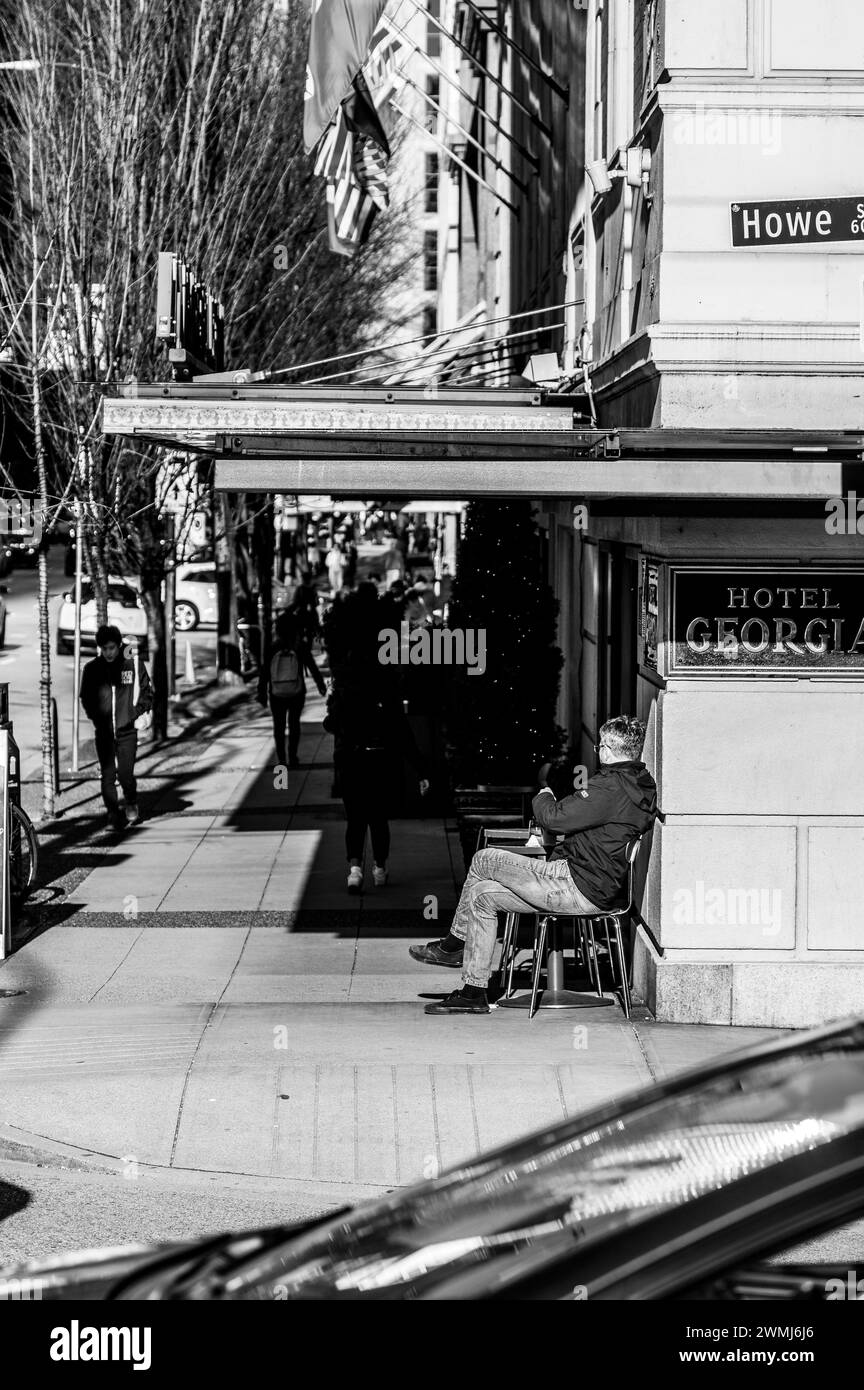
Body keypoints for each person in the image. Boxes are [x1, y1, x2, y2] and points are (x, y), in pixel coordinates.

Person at [409, 715, 657, 1014]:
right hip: (592, 885)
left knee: (484, 859)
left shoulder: (610, 787)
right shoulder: (640, 785)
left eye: (599, 747)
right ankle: (473, 992)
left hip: (573, 884)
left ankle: (453, 945)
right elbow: (584, 819)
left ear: (606, 749)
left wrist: (544, 794)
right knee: (482, 895)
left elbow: (553, 817)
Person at [323, 663, 430, 893]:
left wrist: (333, 702)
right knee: (379, 819)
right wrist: (421, 770)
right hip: (381, 763)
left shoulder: (346, 694)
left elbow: (330, 724)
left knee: (355, 819)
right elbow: (404, 736)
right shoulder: (388, 698)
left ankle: (355, 870)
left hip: (353, 764)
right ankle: (379, 867)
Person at [80, 625, 153, 831]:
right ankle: (112, 813)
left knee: (125, 774)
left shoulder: (132, 666)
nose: (109, 652)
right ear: (100, 648)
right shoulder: (93, 669)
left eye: (112, 648)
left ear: (119, 645)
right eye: (105, 649)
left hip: (127, 730)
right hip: (103, 731)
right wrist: (95, 717)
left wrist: (135, 712)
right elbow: (86, 697)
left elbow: (147, 693)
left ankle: (130, 800)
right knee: (108, 774)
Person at [258, 611, 326, 769]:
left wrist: (261, 692)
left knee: (279, 725)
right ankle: (293, 756)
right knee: (294, 724)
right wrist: (320, 684)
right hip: (297, 690)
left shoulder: (272, 647)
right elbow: (312, 666)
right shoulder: (299, 646)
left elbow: (264, 672)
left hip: (276, 692)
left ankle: (281, 759)